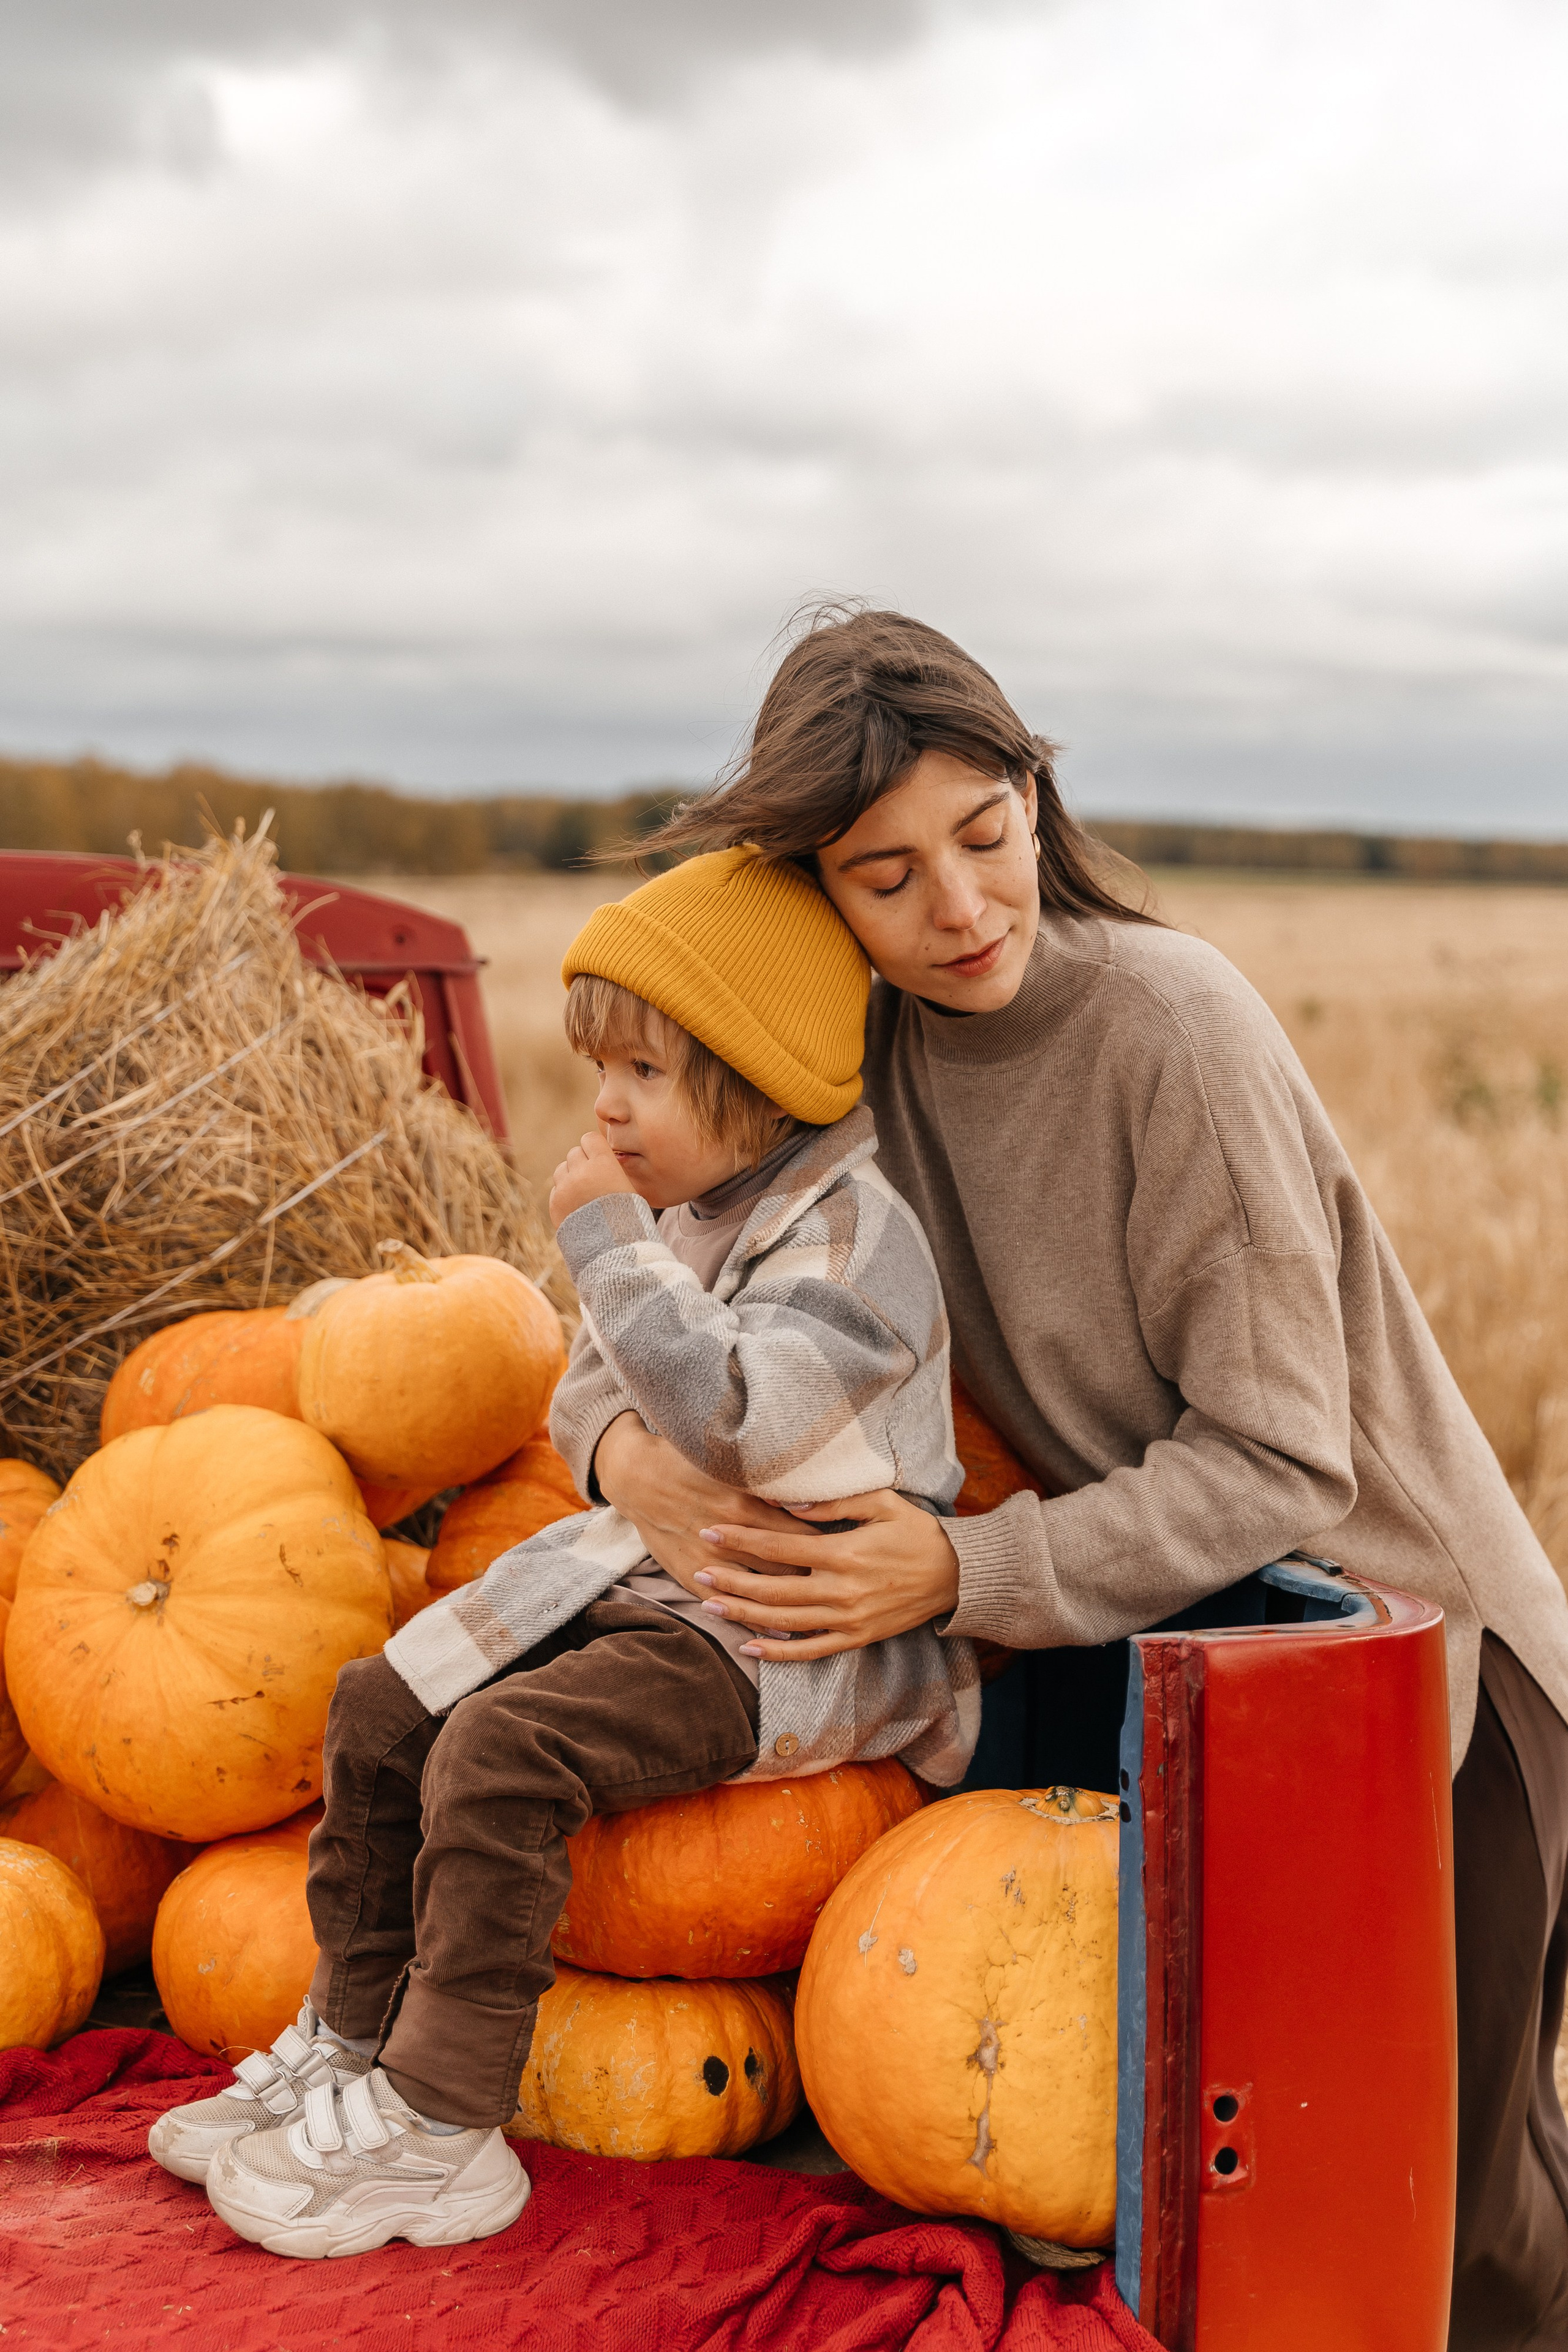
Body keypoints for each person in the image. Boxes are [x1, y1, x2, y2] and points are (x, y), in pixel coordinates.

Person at [586, 608, 1568, 2351]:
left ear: (1040, 796)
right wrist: (623, 1455)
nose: (960, 911)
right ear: (814, 890)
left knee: (1455, 2242)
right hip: (1159, 1657)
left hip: (1413, 1673)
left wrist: (956, 1580)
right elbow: (618, 1287)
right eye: (886, 878)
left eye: (987, 836)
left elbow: (1278, 1459)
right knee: (1201, 2232)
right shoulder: (833, 1068)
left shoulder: (1170, 1027)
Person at [148, 843, 979, 2259]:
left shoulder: (855, 1244)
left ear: (760, 1072)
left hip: (783, 1636)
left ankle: (440, 2123)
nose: (602, 1107)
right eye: (601, 1070)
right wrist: (623, 1380)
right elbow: (587, 1389)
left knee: (506, 1750)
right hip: (651, 1579)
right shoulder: (692, 1214)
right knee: (382, 1700)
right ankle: (352, 2039)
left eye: (642, 1075)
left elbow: (736, 1418)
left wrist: (603, 1249)